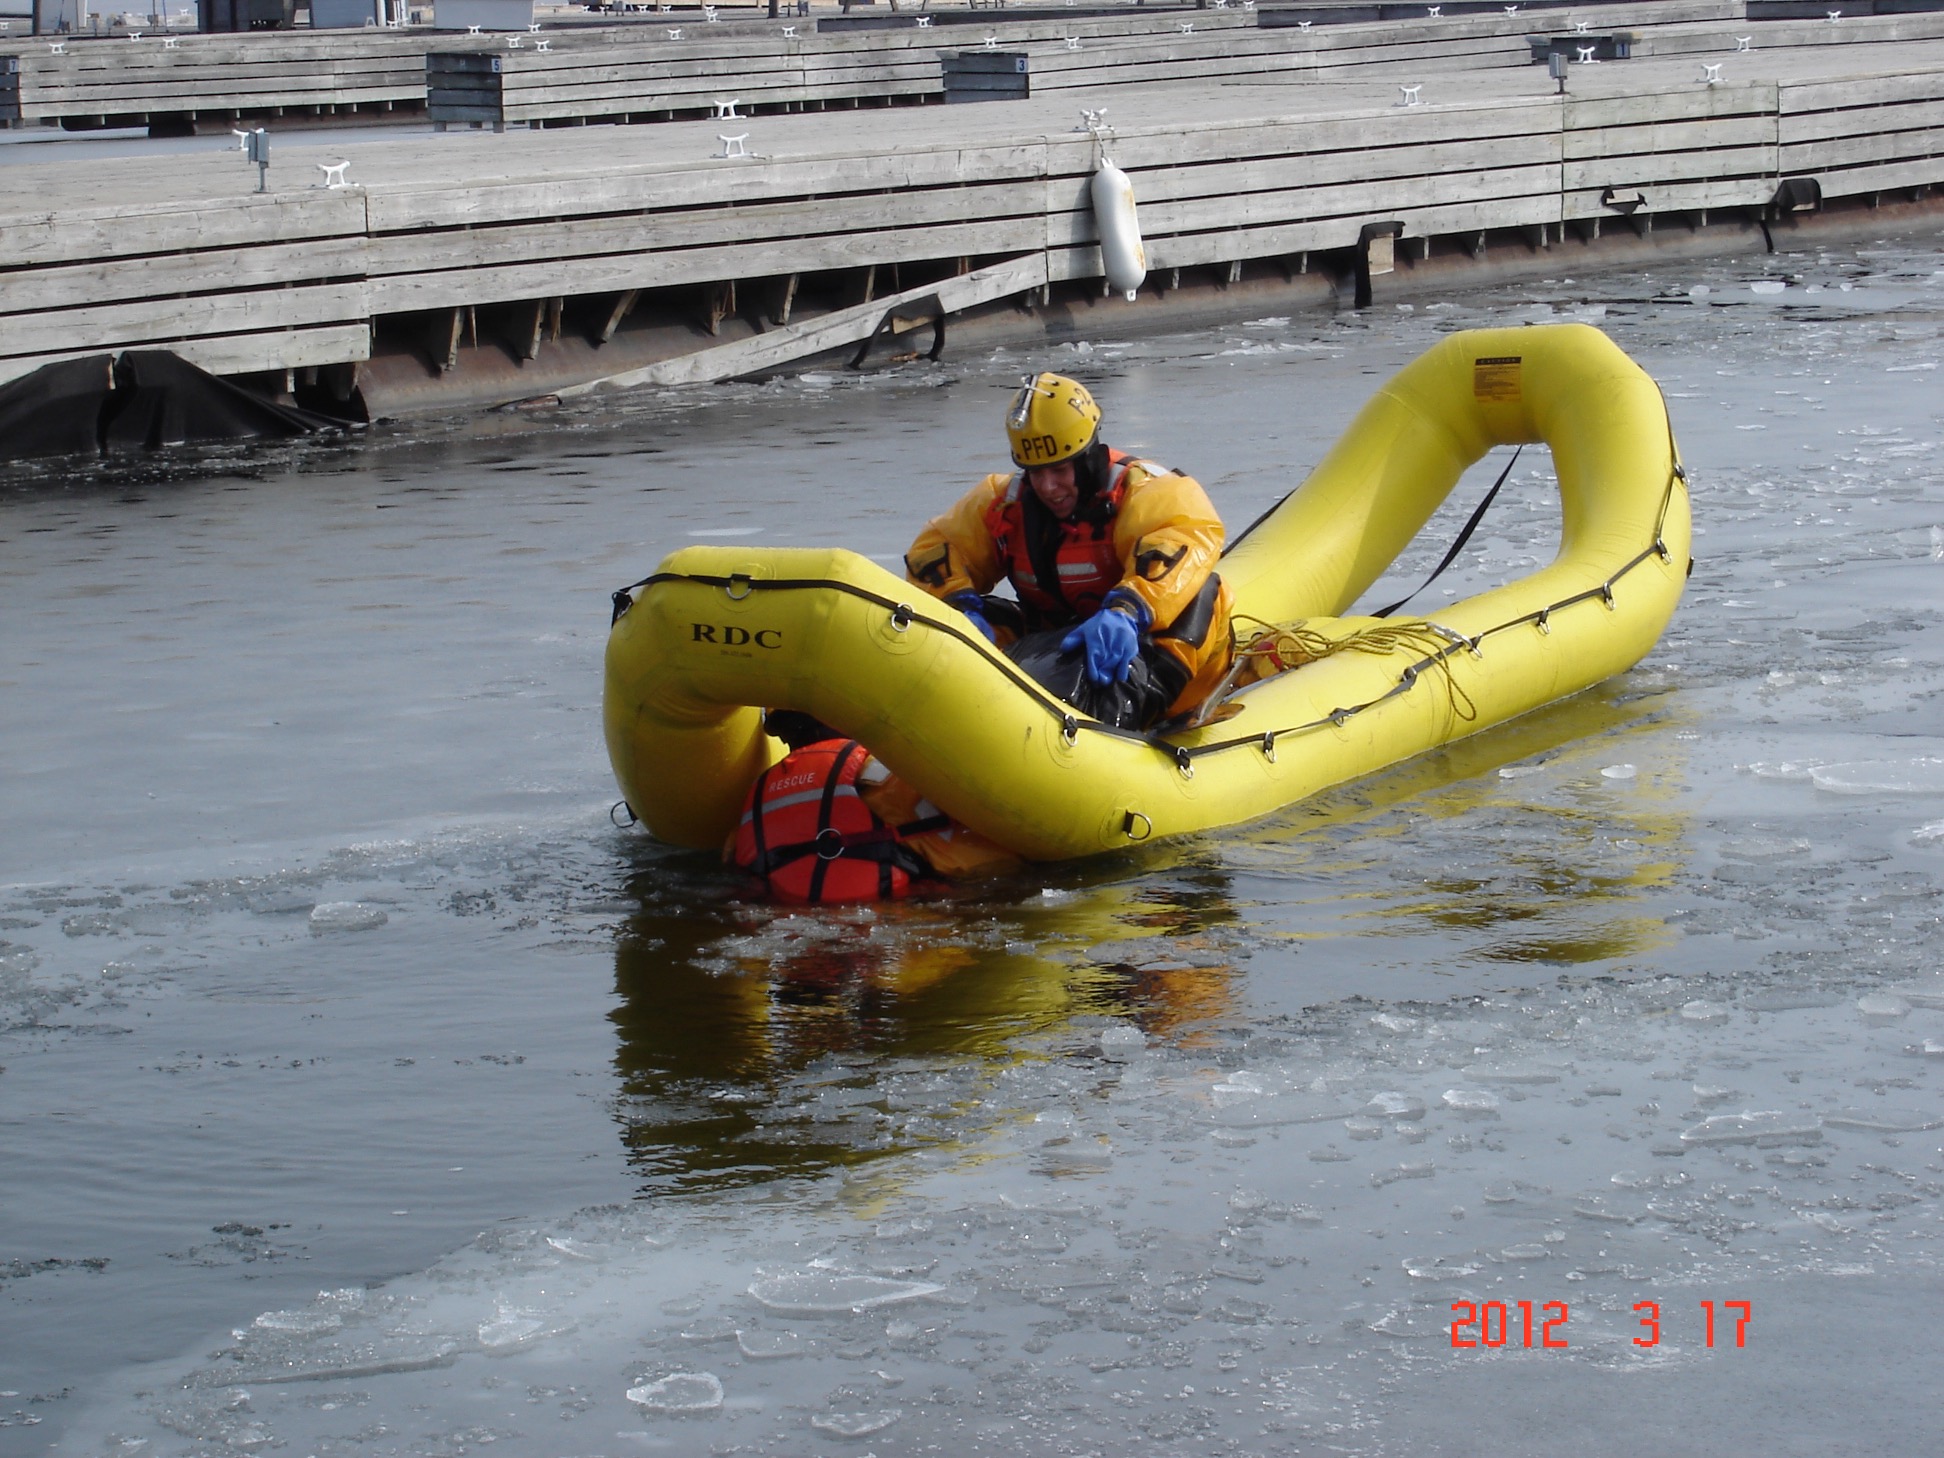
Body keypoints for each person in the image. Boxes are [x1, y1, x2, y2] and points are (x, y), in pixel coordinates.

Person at [903, 372, 1233, 730]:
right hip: (1061, 646)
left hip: (1142, 643)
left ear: (1087, 458)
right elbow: (935, 548)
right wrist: (958, 608)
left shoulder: (1147, 492)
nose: (1048, 487)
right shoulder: (1006, 504)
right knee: (954, 625)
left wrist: (1126, 611)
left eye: (1060, 470)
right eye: (1035, 472)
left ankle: (1114, 727)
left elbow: (1187, 533)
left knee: (1201, 593)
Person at [728, 710, 1020, 904]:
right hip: (894, 934)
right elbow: (980, 861)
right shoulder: (881, 775)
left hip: (794, 942)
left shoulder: (755, 796)